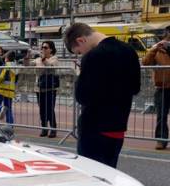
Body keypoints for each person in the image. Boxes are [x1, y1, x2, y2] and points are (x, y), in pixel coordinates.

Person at [64, 22, 140, 168]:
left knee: (91, 175)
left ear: (81, 40)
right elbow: (135, 88)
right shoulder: (129, 51)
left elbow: (82, 96)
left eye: (79, 52)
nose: (81, 55)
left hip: (94, 127)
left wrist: (81, 75)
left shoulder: (93, 56)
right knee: (110, 174)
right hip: (118, 125)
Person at [142, 26, 170, 150]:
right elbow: (145, 62)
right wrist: (154, 49)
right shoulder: (157, 50)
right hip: (162, 87)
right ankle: (161, 140)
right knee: (161, 115)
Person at [24, 41, 59, 138]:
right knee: (42, 110)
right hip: (39, 88)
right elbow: (27, 64)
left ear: (51, 49)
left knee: (50, 109)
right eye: (42, 47)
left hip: (50, 88)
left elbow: (50, 67)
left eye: (45, 47)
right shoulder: (38, 59)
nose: (43, 49)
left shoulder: (54, 58)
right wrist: (27, 55)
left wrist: (43, 58)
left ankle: (53, 129)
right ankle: (44, 128)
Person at [0, 51, 17, 125]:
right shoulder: (15, 66)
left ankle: (0, 108)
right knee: (8, 109)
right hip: (10, 90)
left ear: (6, 58)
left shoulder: (5, 66)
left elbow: (1, 76)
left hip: (1, 88)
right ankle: (10, 125)